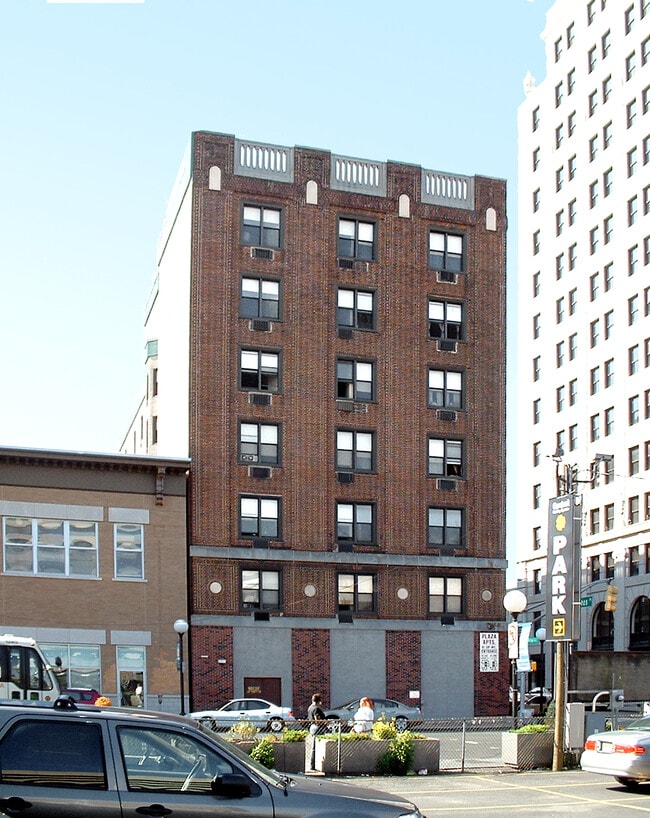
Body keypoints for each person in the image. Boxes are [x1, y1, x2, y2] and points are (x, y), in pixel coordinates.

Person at [307, 693, 328, 771]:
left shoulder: (310, 708)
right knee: (315, 747)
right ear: (319, 701)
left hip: (312, 727)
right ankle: (312, 766)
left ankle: (312, 765)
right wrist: (326, 722)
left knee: (313, 746)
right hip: (317, 728)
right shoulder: (316, 709)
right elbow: (318, 720)